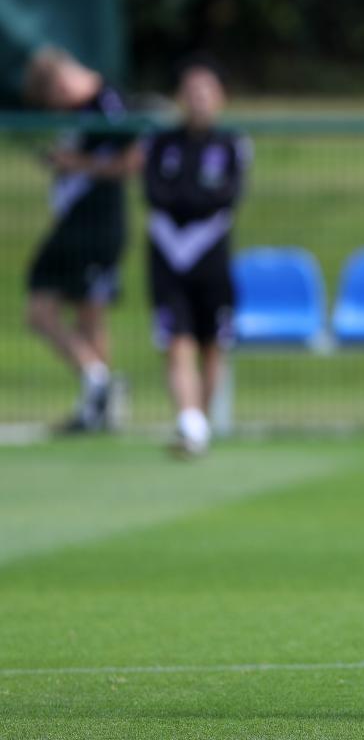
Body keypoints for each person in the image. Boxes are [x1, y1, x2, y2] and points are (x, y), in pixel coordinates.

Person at [24, 46, 143, 433]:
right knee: (71, 311)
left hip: (97, 223)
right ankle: (98, 397)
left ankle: (99, 391)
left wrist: (77, 164)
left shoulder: (107, 102)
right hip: (76, 221)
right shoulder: (80, 111)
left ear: (60, 84)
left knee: (67, 310)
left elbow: (133, 159)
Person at [142, 55, 250, 457]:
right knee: (176, 339)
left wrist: (190, 201)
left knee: (211, 343)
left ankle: (198, 424)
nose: (198, 98)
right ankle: (189, 421)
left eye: (206, 91)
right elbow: (155, 193)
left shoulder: (232, 144)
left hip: (211, 255)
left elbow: (226, 195)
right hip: (168, 254)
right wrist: (189, 201)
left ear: (221, 97)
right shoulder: (160, 143)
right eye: (191, 91)